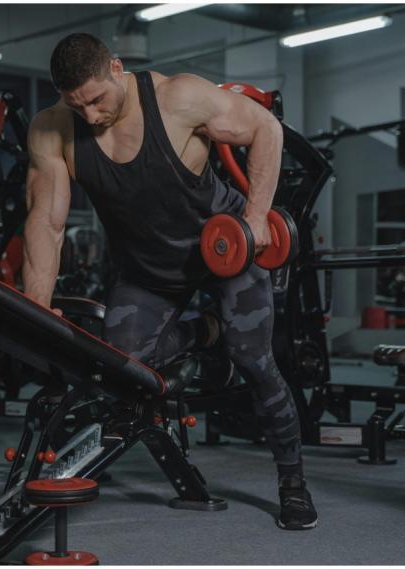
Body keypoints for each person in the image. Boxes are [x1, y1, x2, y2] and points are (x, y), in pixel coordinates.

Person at [21, 32, 316, 530]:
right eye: (77, 105)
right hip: (147, 269)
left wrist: (259, 215)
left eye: (96, 99)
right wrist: (35, 305)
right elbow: (46, 222)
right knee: (123, 370)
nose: (90, 115)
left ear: (116, 68)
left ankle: (292, 481)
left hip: (223, 254)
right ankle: (206, 332)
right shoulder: (52, 130)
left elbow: (266, 127)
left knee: (255, 361)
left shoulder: (178, 98)